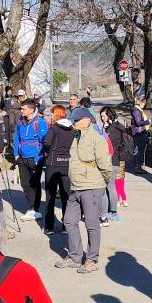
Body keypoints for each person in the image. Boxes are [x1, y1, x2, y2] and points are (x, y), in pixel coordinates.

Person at [55, 107, 111, 274]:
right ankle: (75, 256)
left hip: (92, 187)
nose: (74, 123)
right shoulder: (76, 137)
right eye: (73, 120)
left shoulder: (97, 139)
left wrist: (100, 183)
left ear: (87, 120)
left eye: (77, 120)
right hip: (76, 187)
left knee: (92, 224)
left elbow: (106, 167)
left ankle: (92, 259)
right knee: (69, 220)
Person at [13, 98, 48, 221]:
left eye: (23, 109)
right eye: (21, 109)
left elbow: (44, 142)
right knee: (24, 184)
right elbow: (16, 138)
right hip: (22, 158)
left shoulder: (40, 122)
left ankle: (34, 209)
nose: (21, 111)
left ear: (31, 110)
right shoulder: (20, 121)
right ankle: (32, 207)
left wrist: (38, 158)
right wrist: (16, 154)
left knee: (35, 184)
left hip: (35, 159)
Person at [42, 104, 74, 234]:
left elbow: (47, 143)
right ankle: (66, 226)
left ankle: (49, 226)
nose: (50, 116)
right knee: (66, 196)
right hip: (67, 163)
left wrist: (49, 150)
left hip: (53, 164)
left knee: (50, 195)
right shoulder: (72, 128)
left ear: (57, 114)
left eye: (52, 114)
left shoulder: (54, 128)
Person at [103, 107, 129, 214]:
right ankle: (115, 208)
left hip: (112, 159)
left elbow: (107, 145)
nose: (102, 118)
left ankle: (111, 210)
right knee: (115, 184)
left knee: (109, 186)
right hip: (119, 158)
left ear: (109, 116)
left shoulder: (111, 129)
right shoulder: (119, 126)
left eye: (103, 116)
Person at [130, 97, 151, 174]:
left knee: (139, 150)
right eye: (144, 103)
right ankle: (137, 167)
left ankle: (138, 166)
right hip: (139, 132)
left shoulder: (137, 110)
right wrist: (147, 121)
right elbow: (138, 122)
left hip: (140, 132)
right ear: (141, 103)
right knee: (139, 151)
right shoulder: (136, 111)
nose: (144, 105)